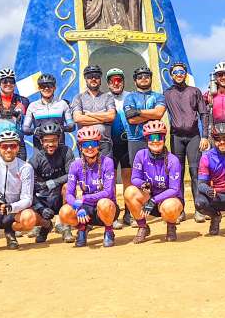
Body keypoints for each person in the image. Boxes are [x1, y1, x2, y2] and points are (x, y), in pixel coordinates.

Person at [163, 61, 209, 221]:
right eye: (175, 72)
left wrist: (205, 136)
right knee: (178, 173)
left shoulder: (195, 91)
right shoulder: (167, 94)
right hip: (176, 137)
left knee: (196, 172)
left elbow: (204, 114)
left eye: (181, 72)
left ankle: (200, 208)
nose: (179, 75)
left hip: (194, 136)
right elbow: (158, 112)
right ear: (171, 75)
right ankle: (180, 209)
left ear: (186, 74)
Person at [124, 121, 184, 243]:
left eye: (159, 137)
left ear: (164, 139)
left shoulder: (173, 160)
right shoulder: (141, 155)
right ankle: (143, 227)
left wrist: (154, 200)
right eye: (151, 137)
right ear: (146, 139)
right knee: (130, 192)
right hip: (148, 197)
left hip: (167, 199)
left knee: (170, 206)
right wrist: (143, 184)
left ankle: (171, 226)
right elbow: (134, 178)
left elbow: (174, 189)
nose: (155, 141)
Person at [59, 127, 119, 247]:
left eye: (93, 143)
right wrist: (77, 206)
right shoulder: (75, 165)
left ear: (98, 145)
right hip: (86, 209)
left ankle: (109, 231)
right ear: (80, 147)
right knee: (64, 213)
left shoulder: (107, 162)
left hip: (106, 209)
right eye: (86, 144)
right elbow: (69, 193)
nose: (90, 148)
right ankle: (82, 228)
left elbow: (108, 192)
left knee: (104, 203)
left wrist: (84, 199)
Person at [28, 123, 75, 243]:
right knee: (27, 196)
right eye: (46, 141)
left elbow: (71, 175)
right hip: (44, 197)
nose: (50, 144)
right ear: (41, 141)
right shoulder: (36, 158)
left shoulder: (66, 151)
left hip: (61, 196)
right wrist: (39, 208)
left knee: (68, 186)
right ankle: (45, 226)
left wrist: (51, 183)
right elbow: (28, 185)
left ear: (59, 139)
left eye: (54, 140)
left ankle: (66, 227)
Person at [0, 68, 31, 160]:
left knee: (19, 174)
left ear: (15, 83)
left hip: (18, 148)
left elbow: (38, 111)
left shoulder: (24, 101)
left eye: (11, 81)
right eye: (5, 81)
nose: (8, 84)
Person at [71, 64, 117, 160]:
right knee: (86, 174)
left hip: (104, 143)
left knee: (105, 173)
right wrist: (103, 119)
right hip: (85, 143)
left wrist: (89, 115)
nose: (93, 79)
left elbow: (111, 116)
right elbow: (78, 119)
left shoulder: (108, 97)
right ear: (85, 79)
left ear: (100, 79)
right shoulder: (78, 98)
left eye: (96, 76)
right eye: (89, 77)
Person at [105, 67, 131, 228]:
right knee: (111, 180)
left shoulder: (130, 96)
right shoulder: (104, 98)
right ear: (108, 84)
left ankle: (129, 212)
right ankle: (113, 214)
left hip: (128, 143)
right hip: (110, 143)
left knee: (128, 179)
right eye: (113, 81)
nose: (116, 83)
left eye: (119, 80)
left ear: (123, 82)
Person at [123, 66, 166, 162]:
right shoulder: (130, 97)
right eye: (139, 77)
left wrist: (137, 112)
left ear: (151, 79)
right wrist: (152, 115)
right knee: (137, 169)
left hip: (155, 137)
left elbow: (159, 113)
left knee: (156, 169)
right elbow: (131, 119)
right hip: (135, 138)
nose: (143, 78)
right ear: (135, 81)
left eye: (146, 76)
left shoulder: (159, 96)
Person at [22, 73, 74, 148]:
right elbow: (25, 128)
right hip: (39, 148)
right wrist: (34, 131)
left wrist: (62, 128)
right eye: (43, 86)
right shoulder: (32, 106)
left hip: (59, 146)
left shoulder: (62, 104)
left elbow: (71, 125)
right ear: (39, 88)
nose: (46, 88)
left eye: (49, 86)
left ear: (54, 87)